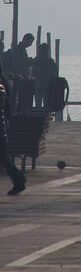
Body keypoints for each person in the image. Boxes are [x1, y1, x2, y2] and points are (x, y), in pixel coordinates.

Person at [0, 56, 26, 195]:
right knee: (4, 158)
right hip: (3, 128)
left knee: (4, 158)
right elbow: (8, 108)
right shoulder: (4, 82)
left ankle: (19, 179)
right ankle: (19, 179)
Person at [33, 43, 57, 110]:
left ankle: (38, 116)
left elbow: (33, 73)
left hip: (39, 85)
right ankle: (44, 116)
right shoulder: (50, 61)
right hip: (46, 86)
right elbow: (55, 74)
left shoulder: (36, 61)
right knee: (46, 105)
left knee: (38, 105)